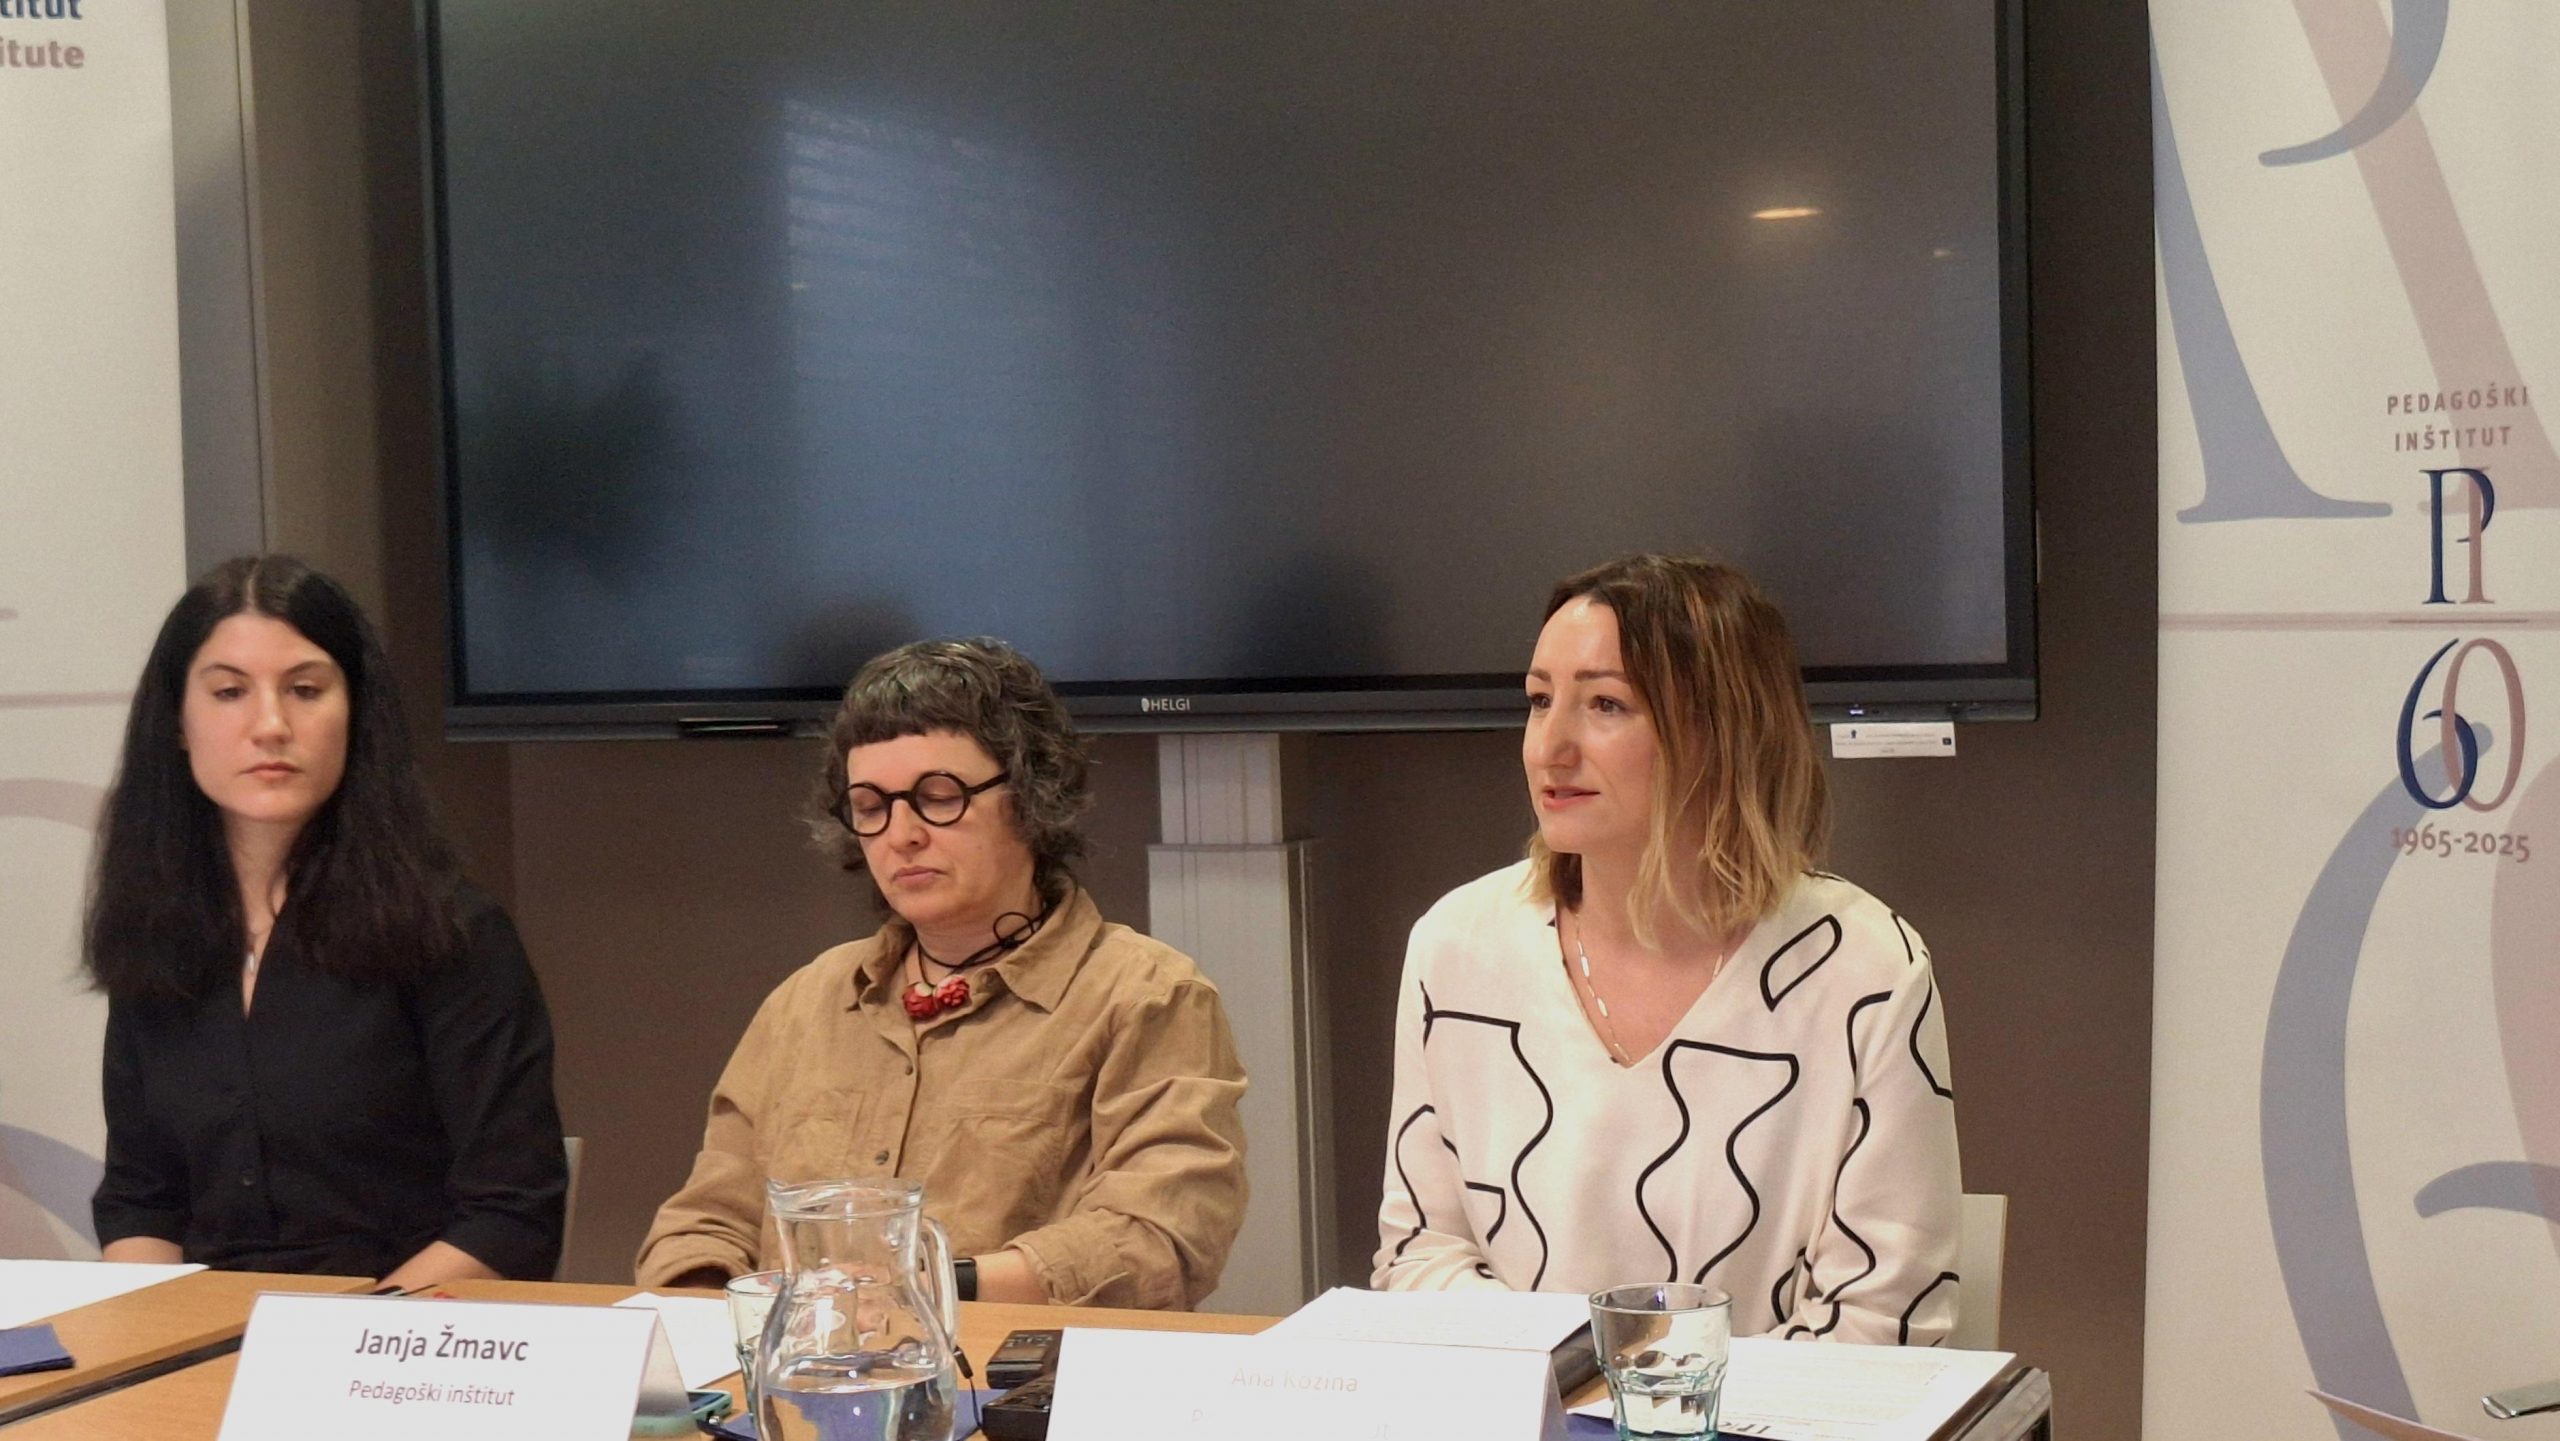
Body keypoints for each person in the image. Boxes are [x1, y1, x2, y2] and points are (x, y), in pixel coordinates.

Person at [1372, 554, 1961, 1343]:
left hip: (1766, 1413)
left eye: (1605, 704)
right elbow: (1419, 1257)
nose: (1550, 747)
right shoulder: (1456, 946)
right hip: (1528, 1404)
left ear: (1724, 730)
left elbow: (1882, 1319)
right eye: (1540, 700)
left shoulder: (1867, 969)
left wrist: (1662, 1394)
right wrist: (1581, 1381)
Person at [636, 638, 1248, 1309]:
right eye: (871, 806)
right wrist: (710, 1326)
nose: (901, 834)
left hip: (1016, 1367)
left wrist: (923, 1289)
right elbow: (703, 1224)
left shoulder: (1145, 995)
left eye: (939, 796)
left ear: (1030, 797)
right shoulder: (807, 1001)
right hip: (790, 1365)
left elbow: (1159, 1240)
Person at [86, 556, 567, 1284]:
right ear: (177, 722)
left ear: (356, 712)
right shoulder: (155, 930)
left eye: (305, 690)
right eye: (229, 692)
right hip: (201, 1328)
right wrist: (153, 1327)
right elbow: (139, 1202)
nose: (271, 725)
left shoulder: (454, 931)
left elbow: (512, 1215)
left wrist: (343, 1337)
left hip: (401, 1328)